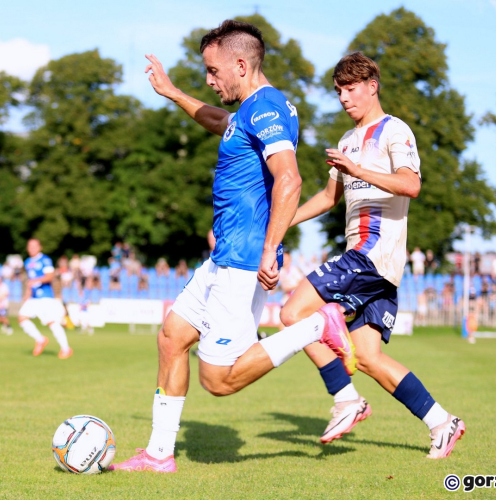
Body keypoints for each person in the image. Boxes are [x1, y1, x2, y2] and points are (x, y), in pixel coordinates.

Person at [111, 20, 350, 473]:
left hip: (243, 260)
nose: (208, 79)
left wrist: (269, 250)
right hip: (224, 257)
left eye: (212, 70)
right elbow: (220, 122)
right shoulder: (247, 112)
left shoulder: (267, 108)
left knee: (218, 381)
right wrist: (174, 93)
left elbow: (291, 178)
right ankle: (159, 455)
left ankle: (316, 326)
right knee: (172, 337)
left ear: (241, 64)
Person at [279, 51, 464, 459]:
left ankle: (346, 399)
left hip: (371, 255)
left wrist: (358, 170)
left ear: (371, 86)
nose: (344, 98)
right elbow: (328, 199)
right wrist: (283, 221)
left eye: (351, 89)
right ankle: (442, 422)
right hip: (374, 265)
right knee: (367, 357)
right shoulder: (347, 141)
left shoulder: (394, 131)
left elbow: (411, 185)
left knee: (292, 314)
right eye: (339, 91)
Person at [17, 239, 72, 359]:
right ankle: (40, 339)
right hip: (34, 297)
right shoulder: (27, 262)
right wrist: (27, 294)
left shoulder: (45, 260)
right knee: (22, 318)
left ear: (40, 247)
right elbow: (30, 282)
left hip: (46, 297)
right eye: (30, 246)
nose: (32, 248)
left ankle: (66, 349)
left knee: (52, 323)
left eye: (34, 246)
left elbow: (50, 276)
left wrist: (36, 281)